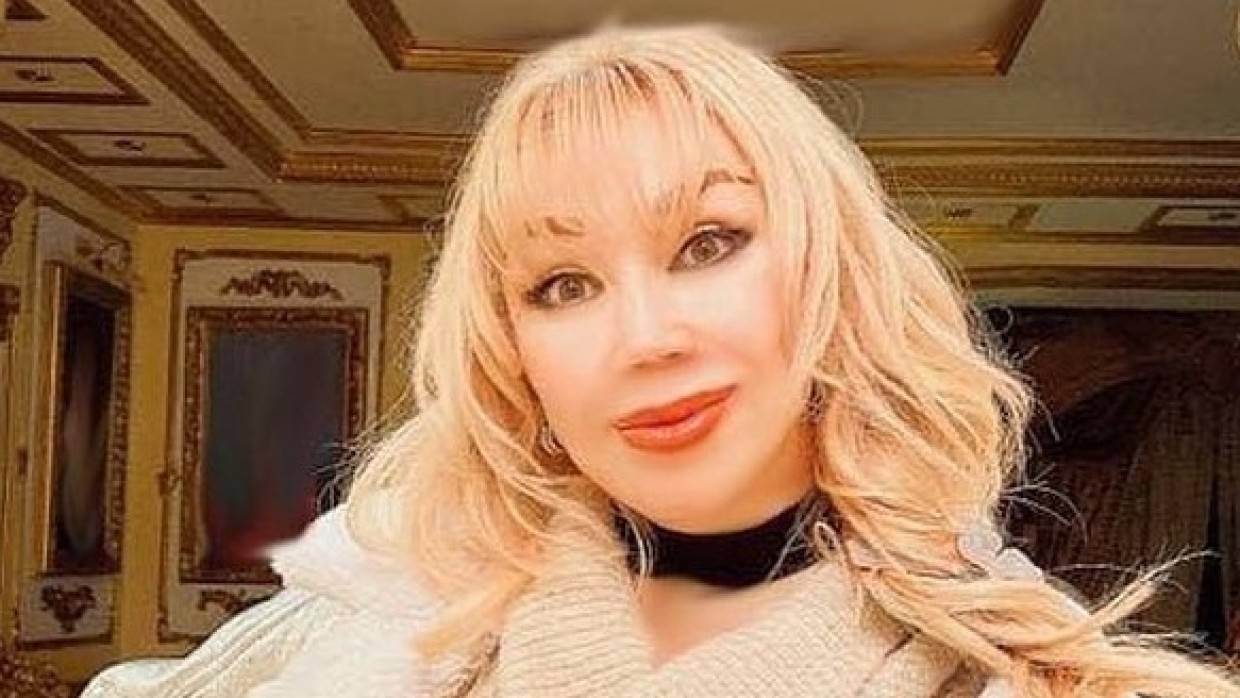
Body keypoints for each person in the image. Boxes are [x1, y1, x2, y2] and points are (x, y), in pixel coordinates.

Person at [84, 24, 1240, 697]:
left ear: (828, 280)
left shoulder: (1025, 675)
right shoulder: (357, 635)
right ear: (516, 357)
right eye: (562, 284)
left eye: (708, 242)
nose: (643, 336)